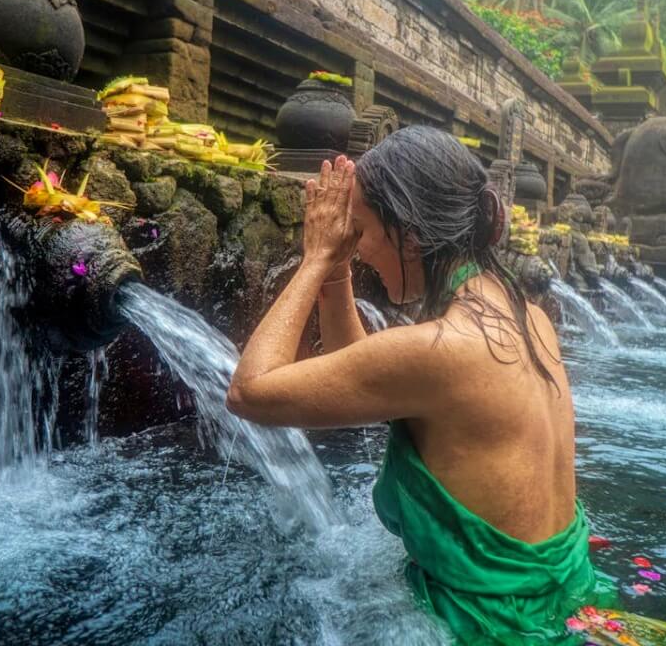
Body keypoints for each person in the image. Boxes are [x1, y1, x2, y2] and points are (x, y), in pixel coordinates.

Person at [226, 127, 615, 643]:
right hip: (570, 600)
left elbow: (249, 391)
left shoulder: (443, 350)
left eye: (360, 230)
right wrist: (337, 273)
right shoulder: (529, 317)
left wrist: (315, 258)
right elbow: (361, 374)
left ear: (410, 237)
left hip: (491, 628)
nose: (356, 248)